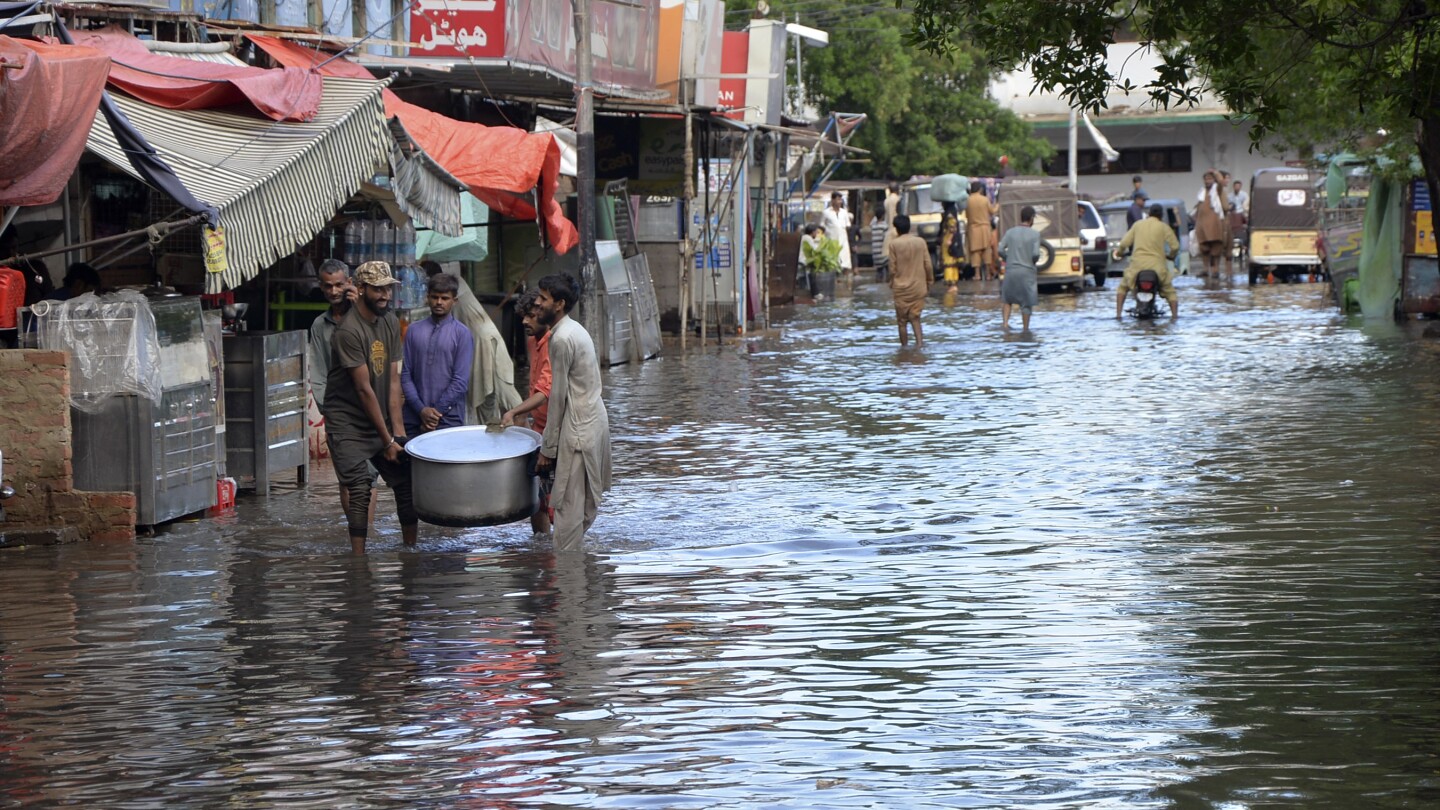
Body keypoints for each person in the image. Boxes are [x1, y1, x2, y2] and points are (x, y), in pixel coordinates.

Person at [324, 261, 417, 554]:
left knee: (405, 480)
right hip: (348, 422)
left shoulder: (389, 321)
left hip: (380, 419)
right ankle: (358, 561)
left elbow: (393, 381)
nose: (385, 295)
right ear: (361, 289)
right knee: (361, 488)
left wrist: (397, 437)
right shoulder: (348, 331)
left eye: (388, 288)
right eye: (377, 289)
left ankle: (410, 551)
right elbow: (364, 390)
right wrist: (386, 440)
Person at [533, 274, 611, 552]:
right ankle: (582, 584)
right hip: (593, 422)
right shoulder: (575, 329)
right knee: (581, 511)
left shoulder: (561, 338)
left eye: (543, 298)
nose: (538, 303)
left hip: (579, 430)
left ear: (560, 304)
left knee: (566, 516)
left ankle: (569, 588)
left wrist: (547, 448)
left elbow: (558, 397)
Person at [308, 259, 378, 534]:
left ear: (350, 283)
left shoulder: (369, 318)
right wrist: (330, 410)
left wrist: (357, 308)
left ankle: (367, 534)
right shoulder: (319, 325)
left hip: (370, 408)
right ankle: (356, 535)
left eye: (339, 285)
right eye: (327, 286)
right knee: (347, 477)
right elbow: (318, 372)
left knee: (369, 477)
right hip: (339, 413)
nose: (334, 291)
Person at [441, 266, 523, 425]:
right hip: (482, 339)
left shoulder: (454, 286)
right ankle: (493, 432)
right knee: (488, 395)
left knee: (502, 393)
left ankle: (524, 431)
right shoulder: (454, 286)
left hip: (485, 342)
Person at [501, 289, 553, 534]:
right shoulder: (533, 341)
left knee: (555, 498)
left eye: (531, 316)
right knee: (539, 497)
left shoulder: (555, 343)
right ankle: (541, 548)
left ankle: (562, 557)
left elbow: (545, 391)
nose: (524, 321)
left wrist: (513, 412)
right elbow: (534, 387)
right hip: (540, 427)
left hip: (558, 428)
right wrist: (522, 417)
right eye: (524, 316)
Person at [401, 272, 473, 437]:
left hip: (448, 419)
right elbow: (405, 375)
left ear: (454, 301)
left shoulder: (462, 334)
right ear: (427, 298)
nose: (439, 302)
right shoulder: (413, 330)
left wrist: (435, 413)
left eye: (445, 298)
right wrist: (421, 410)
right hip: (414, 417)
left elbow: (460, 382)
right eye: (435, 297)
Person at [1113, 203, 1181, 320]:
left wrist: (1119, 253)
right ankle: (1175, 317)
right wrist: (1171, 256)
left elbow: (1124, 243)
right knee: (1171, 293)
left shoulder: (1137, 225)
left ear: (1148, 214)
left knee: (1122, 288)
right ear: (1161, 216)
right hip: (1158, 270)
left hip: (1136, 268)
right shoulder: (1163, 227)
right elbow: (1175, 246)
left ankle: (1118, 315)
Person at [886, 214, 932, 348]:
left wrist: (891, 281)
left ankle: (904, 349)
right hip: (918, 287)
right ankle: (919, 345)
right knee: (916, 317)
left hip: (901, 288)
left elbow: (892, 269)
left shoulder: (894, 244)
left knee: (902, 322)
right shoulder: (920, 242)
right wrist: (929, 280)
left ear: (896, 229)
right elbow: (928, 264)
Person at [997, 205, 1043, 331]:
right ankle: (1025, 328)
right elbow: (1035, 254)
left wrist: (1008, 259)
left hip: (1011, 271)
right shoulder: (1035, 235)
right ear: (1031, 218)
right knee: (1026, 303)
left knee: (1007, 299)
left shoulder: (1010, 232)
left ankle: (1005, 324)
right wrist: (1032, 261)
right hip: (1027, 272)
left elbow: (1000, 249)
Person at [1193, 169, 1230, 278]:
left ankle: (1215, 270)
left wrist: (1215, 172)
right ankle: (1205, 270)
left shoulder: (1217, 190)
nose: (1207, 181)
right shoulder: (1202, 192)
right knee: (1204, 249)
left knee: (1216, 249)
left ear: (1213, 180)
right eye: (1205, 179)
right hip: (1202, 225)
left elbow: (1221, 182)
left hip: (1215, 224)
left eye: (1209, 179)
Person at [966, 181, 999, 280]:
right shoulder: (985, 200)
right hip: (985, 228)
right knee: (987, 250)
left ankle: (977, 274)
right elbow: (992, 211)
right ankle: (988, 274)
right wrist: (997, 205)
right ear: (980, 189)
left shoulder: (967, 200)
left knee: (975, 251)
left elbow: (967, 215)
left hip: (973, 229)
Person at [821, 191, 854, 273]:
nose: (840, 202)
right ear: (832, 200)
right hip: (831, 240)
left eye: (840, 200)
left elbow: (848, 225)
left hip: (843, 241)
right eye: (838, 199)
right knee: (833, 262)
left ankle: (844, 276)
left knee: (845, 262)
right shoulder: (826, 213)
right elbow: (821, 226)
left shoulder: (844, 212)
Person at [940, 201, 964, 290]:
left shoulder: (949, 212)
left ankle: (951, 284)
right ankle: (953, 284)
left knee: (950, 264)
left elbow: (951, 224)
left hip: (950, 246)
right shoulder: (952, 210)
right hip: (951, 245)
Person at [869, 206, 890, 282]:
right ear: (883, 216)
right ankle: (888, 282)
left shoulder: (873, 226)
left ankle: (878, 282)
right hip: (883, 253)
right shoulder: (884, 226)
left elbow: (871, 223)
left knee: (879, 270)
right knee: (888, 269)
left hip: (875, 254)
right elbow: (886, 239)